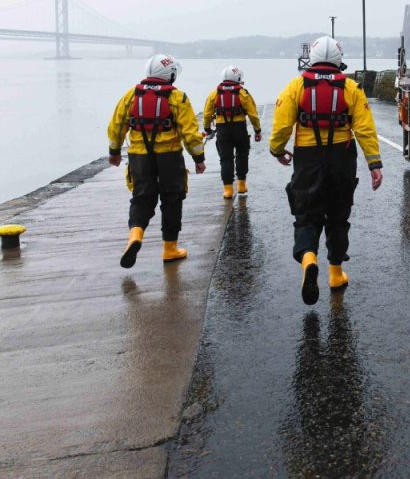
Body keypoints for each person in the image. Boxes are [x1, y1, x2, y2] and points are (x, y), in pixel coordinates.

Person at [269, 36, 383, 305]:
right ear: (337, 60)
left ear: (314, 57)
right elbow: (365, 129)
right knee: (338, 215)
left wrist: (277, 150)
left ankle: (308, 259)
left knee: (306, 214)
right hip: (342, 158)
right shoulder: (352, 88)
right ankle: (336, 273)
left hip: (307, 158)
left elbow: (282, 125)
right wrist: (374, 164)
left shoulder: (296, 86)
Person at [108, 53, 206, 267]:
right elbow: (190, 132)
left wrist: (114, 152)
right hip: (169, 157)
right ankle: (170, 249)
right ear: (170, 74)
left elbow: (116, 126)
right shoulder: (177, 97)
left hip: (139, 157)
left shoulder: (131, 96)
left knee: (141, 197)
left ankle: (135, 235)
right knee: (172, 199)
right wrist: (199, 158)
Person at [203, 65, 262, 199]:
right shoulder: (243, 93)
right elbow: (253, 114)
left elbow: (207, 114)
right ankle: (241, 185)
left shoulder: (215, 93)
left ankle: (228, 189)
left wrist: (207, 129)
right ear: (238, 78)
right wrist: (257, 130)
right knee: (242, 155)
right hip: (239, 128)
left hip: (222, 130)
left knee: (226, 158)